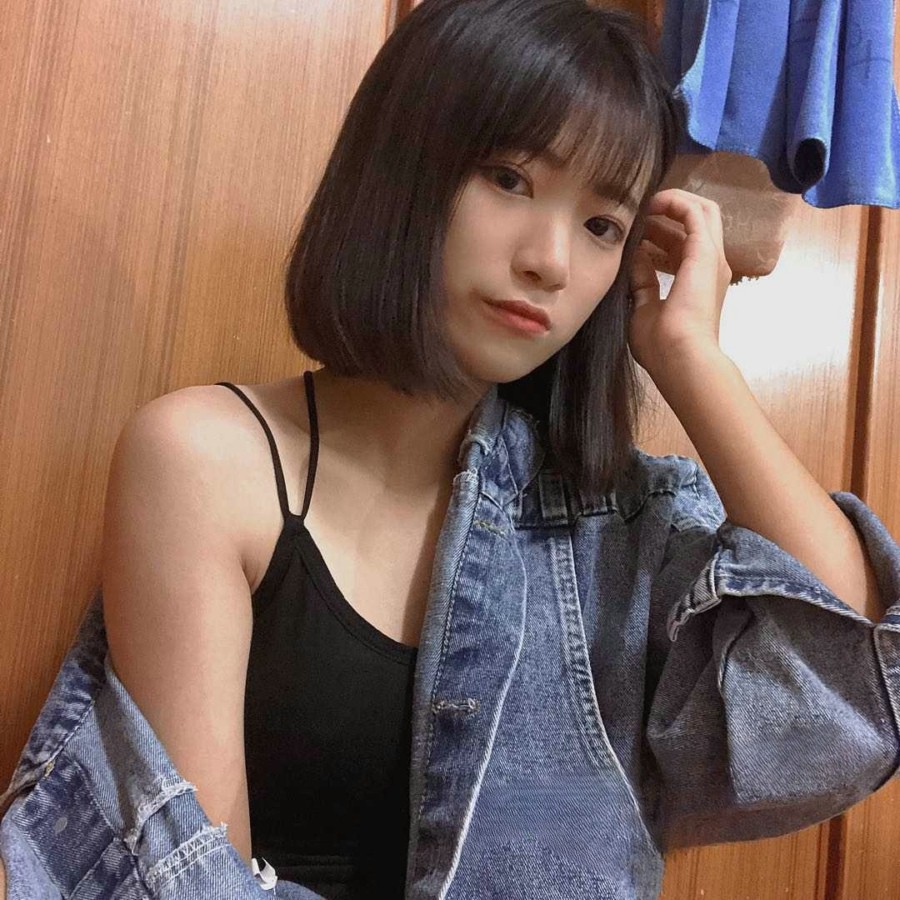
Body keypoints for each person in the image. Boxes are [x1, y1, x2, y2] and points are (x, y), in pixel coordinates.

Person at [2, 0, 899, 898]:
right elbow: (189, 880)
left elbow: (846, 701)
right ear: (402, 166)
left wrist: (692, 358)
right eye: (509, 178)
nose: (551, 261)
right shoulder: (207, 461)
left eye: (603, 225)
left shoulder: (614, 527)